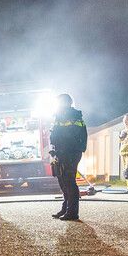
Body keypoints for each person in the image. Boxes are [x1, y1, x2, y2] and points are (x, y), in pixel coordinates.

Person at [50, 93, 87, 221]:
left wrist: (69, 149)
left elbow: (69, 135)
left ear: (66, 102)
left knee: (69, 181)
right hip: (62, 152)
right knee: (62, 180)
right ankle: (65, 208)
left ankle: (72, 212)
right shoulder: (61, 115)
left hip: (70, 152)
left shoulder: (72, 115)